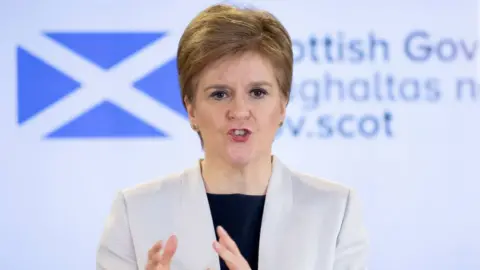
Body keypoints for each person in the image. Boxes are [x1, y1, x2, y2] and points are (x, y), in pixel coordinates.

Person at [96, 3, 368, 270]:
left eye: (258, 93)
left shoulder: (335, 211)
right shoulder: (135, 211)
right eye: (219, 94)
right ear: (191, 108)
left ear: (283, 105)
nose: (239, 111)